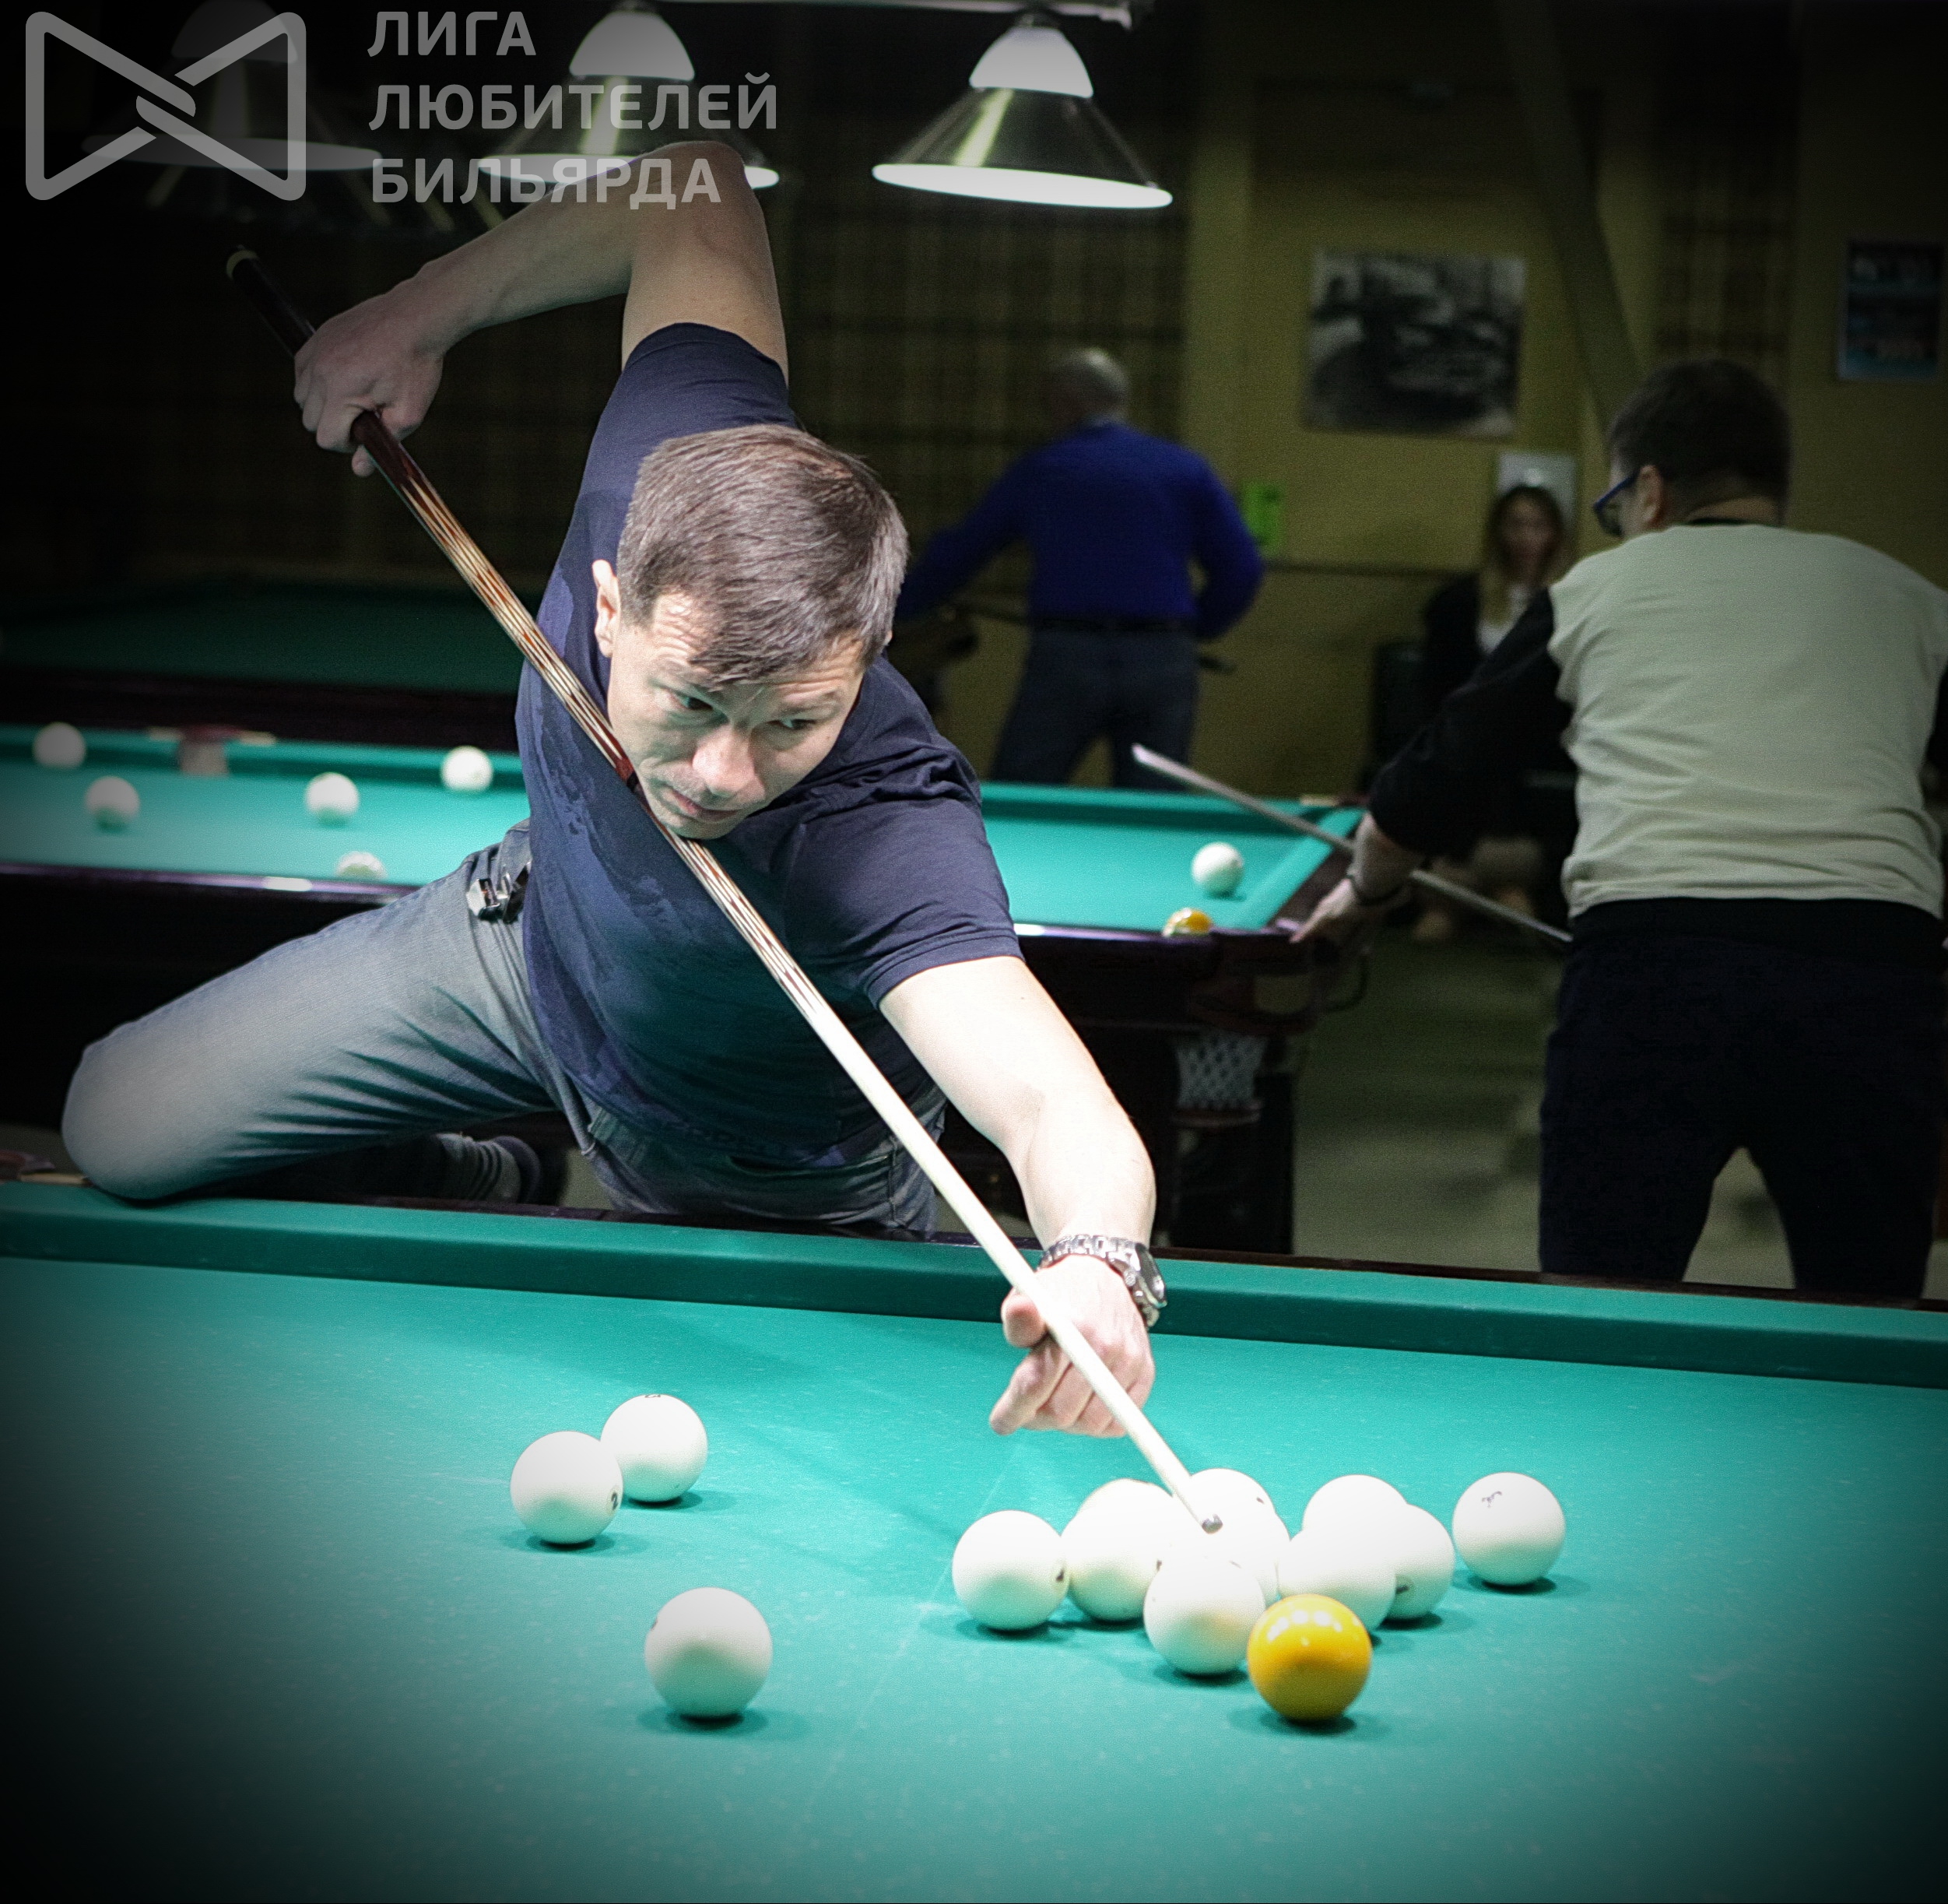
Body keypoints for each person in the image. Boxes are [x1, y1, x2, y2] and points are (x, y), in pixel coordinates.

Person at [62, 142, 1160, 1438]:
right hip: (529, 955)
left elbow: (1047, 1099)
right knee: (116, 1124)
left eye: (792, 720)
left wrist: (1101, 1263)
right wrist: (417, 313)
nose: (724, 774)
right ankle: (489, 1175)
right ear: (608, 605)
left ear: (864, 658)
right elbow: (692, 183)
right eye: (690, 702)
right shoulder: (664, 447)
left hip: (766, 1151)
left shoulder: (887, 824)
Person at [1297, 358, 1948, 1298]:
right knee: (1872, 1330)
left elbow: (1418, 795)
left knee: (1602, 1318)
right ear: (1773, 485)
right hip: (1863, 988)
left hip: (1650, 986)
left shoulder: (1594, 592)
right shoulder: (1912, 601)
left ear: (1649, 490)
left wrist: (1364, 894)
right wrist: (1932, 989)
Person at [893, 348, 1264, 789]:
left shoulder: (1045, 470)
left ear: (1067, 401)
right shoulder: (1185, 470)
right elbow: (1241, 568)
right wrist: (1194, 632)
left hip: (1067, 655)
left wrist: (891, 613)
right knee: (1154, 802)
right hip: (1162, 656)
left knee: (1026, 794)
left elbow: (960, 555)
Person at [1412, 483, 1572, 937]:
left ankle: (1455, 887)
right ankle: (1501, 889)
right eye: (1516, 525)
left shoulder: (1570, 602)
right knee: (1467, 758)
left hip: (1541, 742)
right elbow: (1438, 687)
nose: (1526, 538)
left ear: (1554, 534)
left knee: (1504, 762)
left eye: (1537, 526)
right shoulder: (1460, 602)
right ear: (1498, 532)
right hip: (1467, 737)